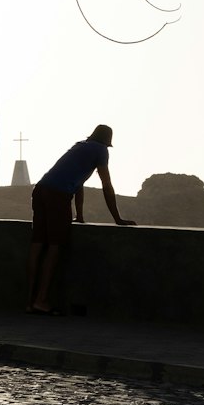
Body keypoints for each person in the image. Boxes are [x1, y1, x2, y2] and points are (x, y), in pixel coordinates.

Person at [28, 124, 136, 315]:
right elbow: (107, 185)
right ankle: (41, 300)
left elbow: (78, 183)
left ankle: (29, 302)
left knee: (37, 246)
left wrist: (80, 215)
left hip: (40, 190)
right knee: (54, 247)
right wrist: (118, 218)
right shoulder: (100, 150)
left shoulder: (80, 146)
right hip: (57, 196)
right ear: (108, 141)